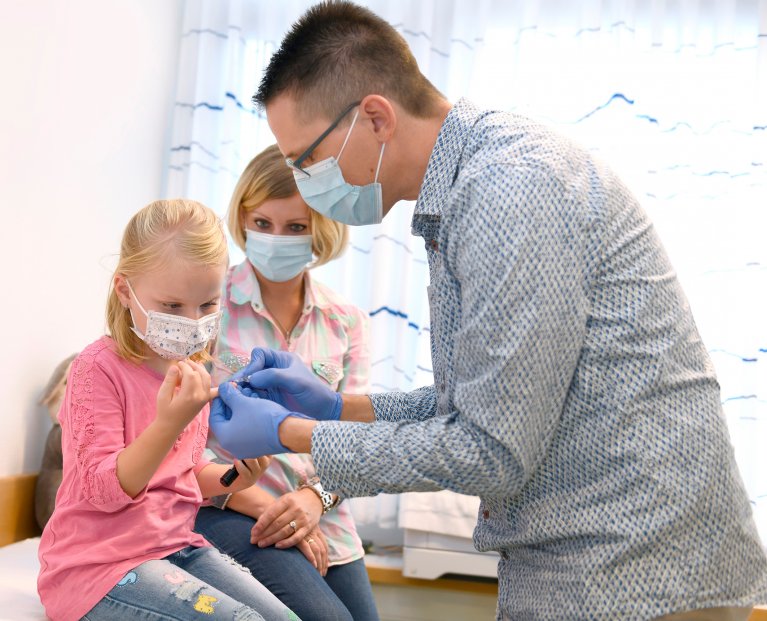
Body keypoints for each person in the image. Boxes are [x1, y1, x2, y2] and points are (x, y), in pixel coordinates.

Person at [211, 2, 767, 620]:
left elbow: (490, 450)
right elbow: (480, 402)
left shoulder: (509, 189)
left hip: (636, 567)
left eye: (304, 159)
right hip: (594, 557)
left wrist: (288, 432)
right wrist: (337, 406)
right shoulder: (470, 185)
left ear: (374, 118)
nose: (303, 180)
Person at [37, 199, 297, 621]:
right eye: (173, 307)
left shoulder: (189, 368)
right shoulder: (95, 369)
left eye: (208, 305)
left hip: (175, 547)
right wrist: (169, 421)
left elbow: (183, 475)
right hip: (96, 569)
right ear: (126, 291)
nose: (192, 322)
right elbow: (104, 491)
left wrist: (234, 477)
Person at [194, 145, 379, 621]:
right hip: (228, 506)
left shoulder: (347, 322)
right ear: (242, 219)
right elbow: (180, 442)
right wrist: (268, 508)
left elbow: (358, 443)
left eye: (295, 227)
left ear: (320, 229)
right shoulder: (203, 307)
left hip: (326, 517)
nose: (276, 239)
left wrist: (313, 500)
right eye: (262, 223)